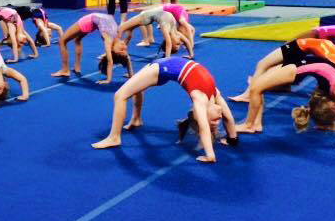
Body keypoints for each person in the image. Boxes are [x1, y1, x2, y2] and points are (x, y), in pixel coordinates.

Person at [91, 57, 237, 163]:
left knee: (120, 95)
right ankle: (136, 119)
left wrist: (210, 155)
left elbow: (204, 128)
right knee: (133, 89)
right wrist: (232, 140)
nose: (218, 118)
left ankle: (115, 137)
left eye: (215, 120)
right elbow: (229, 119)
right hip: (165, 66)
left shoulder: (200, 100)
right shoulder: (215, 94)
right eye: (216, 120)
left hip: (161, 68)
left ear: (201, 115)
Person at [235, 55, 335, 147]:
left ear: (332, 105)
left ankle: (249, 125)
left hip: (297, 67)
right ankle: (256, 124)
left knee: (256, 88)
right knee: (258, 86)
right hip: (302, 61)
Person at [229, 38, 335, 104]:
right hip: (299, 45)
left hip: (306, 48)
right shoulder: (334, 69)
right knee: (263, 64)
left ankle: (258, 89)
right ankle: (248, 94)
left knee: (273, 68)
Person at [51, 13, 129, 84]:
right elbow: (127, 58)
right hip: (94, 23)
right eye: (124, 49)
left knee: (62, 41)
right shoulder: (118, 35)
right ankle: (77, 67)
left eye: (121, 49)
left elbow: (110, 61)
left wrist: (108, 80)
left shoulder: (108, 41)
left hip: (88, 21)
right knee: (77, 40)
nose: (124, 46)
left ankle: (65, 70)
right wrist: (131, 74)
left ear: (113, 50)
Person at [117, 6, 194, 58]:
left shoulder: (167, 29)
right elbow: (187, 42)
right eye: (178, 45)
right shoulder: (177, 34)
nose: (179, 44)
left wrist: (167, 58)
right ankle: (120, 51)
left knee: (121, 29)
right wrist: (191, 55)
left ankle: (116, 51)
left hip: (145, 17)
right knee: (128, 32)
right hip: (148, 15)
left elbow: (168, 43)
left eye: (176, 46)